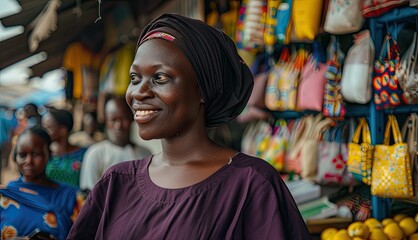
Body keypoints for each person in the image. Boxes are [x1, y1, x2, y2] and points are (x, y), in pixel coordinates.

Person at [68, 13, 311, 239]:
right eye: (135, 78)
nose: (138, 92)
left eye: (159, 78)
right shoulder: (116, 183)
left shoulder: (251, 183)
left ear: (202, 90)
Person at [0, 126, 83, 239]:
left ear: (49, 154)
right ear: (16, 157)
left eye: (36, 154)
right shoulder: (5, 195)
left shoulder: (72, 197)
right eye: (22, 155)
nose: (28, 161)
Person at [79, 96, 152, 190]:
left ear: (132, 119)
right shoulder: (95, 153)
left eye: (124, 119)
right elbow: (89, 195)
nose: (119, 125)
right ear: (106, 121)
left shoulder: (145, 154)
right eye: (113, 120)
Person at [41, 108, 87, 187]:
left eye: (48, 128)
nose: (44, 133)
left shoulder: (84, 154)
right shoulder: (45, 154)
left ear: (62, 130)